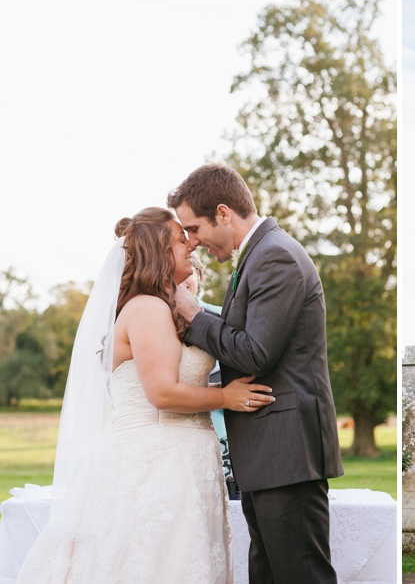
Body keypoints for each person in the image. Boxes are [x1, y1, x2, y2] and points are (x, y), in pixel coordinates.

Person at [16, 207, 275, 584]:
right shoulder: (148, 309)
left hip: (183, 461)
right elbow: (162, 392)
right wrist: (225, 397)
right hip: (157, 464)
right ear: (159, 253)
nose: (191, 245)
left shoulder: (165, 309)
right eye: (179, 239)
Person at [168, 164, 344, 584]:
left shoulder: (275, 256)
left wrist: (193, 317)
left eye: (194, 229)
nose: (192, 242)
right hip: (269, 455)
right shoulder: (259, 256)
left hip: (287, 453)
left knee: (300, 575)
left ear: (224, 214)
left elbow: (254, 353)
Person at [182, 253, 240, 500]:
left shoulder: (224, 316)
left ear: (199, 275)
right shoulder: (154, 320)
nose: (183, 281)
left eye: (190, 273)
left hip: (226, 427)